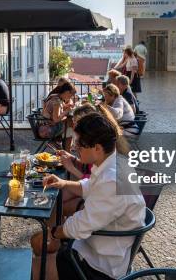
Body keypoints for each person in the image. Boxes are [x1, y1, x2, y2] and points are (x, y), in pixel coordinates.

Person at [35, 113, 146, 280]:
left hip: (101, 265)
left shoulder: (112, 180)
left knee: (36, 263)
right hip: (100, 247)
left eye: (79, 145)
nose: (74, 148)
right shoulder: (112, 163)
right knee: (39, 245)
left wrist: (54, 233)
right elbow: (90, 187)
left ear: (97, 148)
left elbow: (82, 224)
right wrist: (64, 183)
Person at [42, 82, 76, 149]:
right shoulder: (57, 101)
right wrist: (67, 111)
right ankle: (67, 148)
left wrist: (67, 106)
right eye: (71, 94)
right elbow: (56, 119)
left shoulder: (55, 96)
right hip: (49, 129)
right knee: (71, 126)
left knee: (70, 123)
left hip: (45, 124)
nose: (71, 96)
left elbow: (59, 108)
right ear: (66, 92)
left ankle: (65, 147)